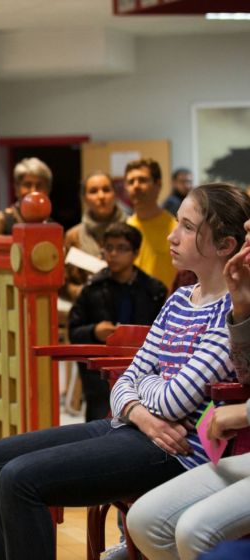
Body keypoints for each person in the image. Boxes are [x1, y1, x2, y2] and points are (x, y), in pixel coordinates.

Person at [0, 183, 249, 560]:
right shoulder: (180, 299)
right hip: (139, 428)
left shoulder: (231, 311)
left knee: (19, 479)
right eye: (177, 223)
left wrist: (140, 391)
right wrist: (142, 408)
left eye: (188, 227)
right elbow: (130, 381)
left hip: (173, 449)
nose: (172, 235)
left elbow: (174, 400)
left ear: (225, 247)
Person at [126, 203, 250, 560]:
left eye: (187, 226)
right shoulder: (188, 296)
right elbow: (248, 372)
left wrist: (243, 413)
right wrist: (242, 307)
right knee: (144, 519)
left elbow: (172, 400)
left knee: (194, 530)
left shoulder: (221, 298)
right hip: (149, 425)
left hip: (186, 440)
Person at [68, 223, 166, 421]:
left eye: (121, 248)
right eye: (109, 248)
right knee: (98, 425)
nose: (113, 254)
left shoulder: (154, 290)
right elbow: (73, 331)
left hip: (143, 371)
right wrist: (94, 331)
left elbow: (164, 336)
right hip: (100, 377)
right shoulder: (92, 288)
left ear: (135, 253)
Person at [62, 171, 127, 302]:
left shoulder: (130, 229)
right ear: (84, 197)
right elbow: (63, 281)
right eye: (93, 191)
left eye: (106, 190)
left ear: (115, 194)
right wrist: (81, 292)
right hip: (87, 310)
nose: (101, 196)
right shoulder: (73, 236)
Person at [125, 158, 178, 291]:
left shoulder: (176, 230)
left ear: (158, 184)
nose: (136, 186)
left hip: (168, 307)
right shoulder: (125, 230)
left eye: (142, 180)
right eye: (131, 182)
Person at [0, 157, 52, 235]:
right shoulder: (1, 221)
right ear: (16, 189)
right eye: (27, 185)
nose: (33, 191)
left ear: (48, 190)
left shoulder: (51, 225)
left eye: (39, 186)